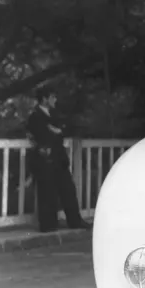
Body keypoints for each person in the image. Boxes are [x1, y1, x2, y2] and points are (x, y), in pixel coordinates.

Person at [26, 86, 88, 232]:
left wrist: (58, 131)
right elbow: (41, 136)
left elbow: (65, 130)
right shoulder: (35, 116)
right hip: (46, 159)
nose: (55, 100)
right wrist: (55, 132)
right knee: (47, 193)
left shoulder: (54, 114)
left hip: (59, 159)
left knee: (68, 190)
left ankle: (75, 221)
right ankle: (48, 225)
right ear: (44, 99)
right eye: (52, 97)